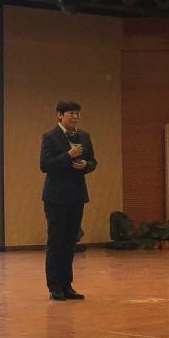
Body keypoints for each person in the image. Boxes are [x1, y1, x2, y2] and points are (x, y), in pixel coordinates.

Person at [40, 100, 97, 301]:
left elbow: (93, 161)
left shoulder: (84, 136)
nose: (75, 116)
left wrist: (86, 165)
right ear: (60, 115)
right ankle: (55, 286)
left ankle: (67, 285)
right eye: (71, 113)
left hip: (76, 195)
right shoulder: (50, 136)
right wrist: (68, 155)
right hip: (55, 197)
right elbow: (45, 165)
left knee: (70, 241)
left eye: (77, 113)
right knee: (56, 241)